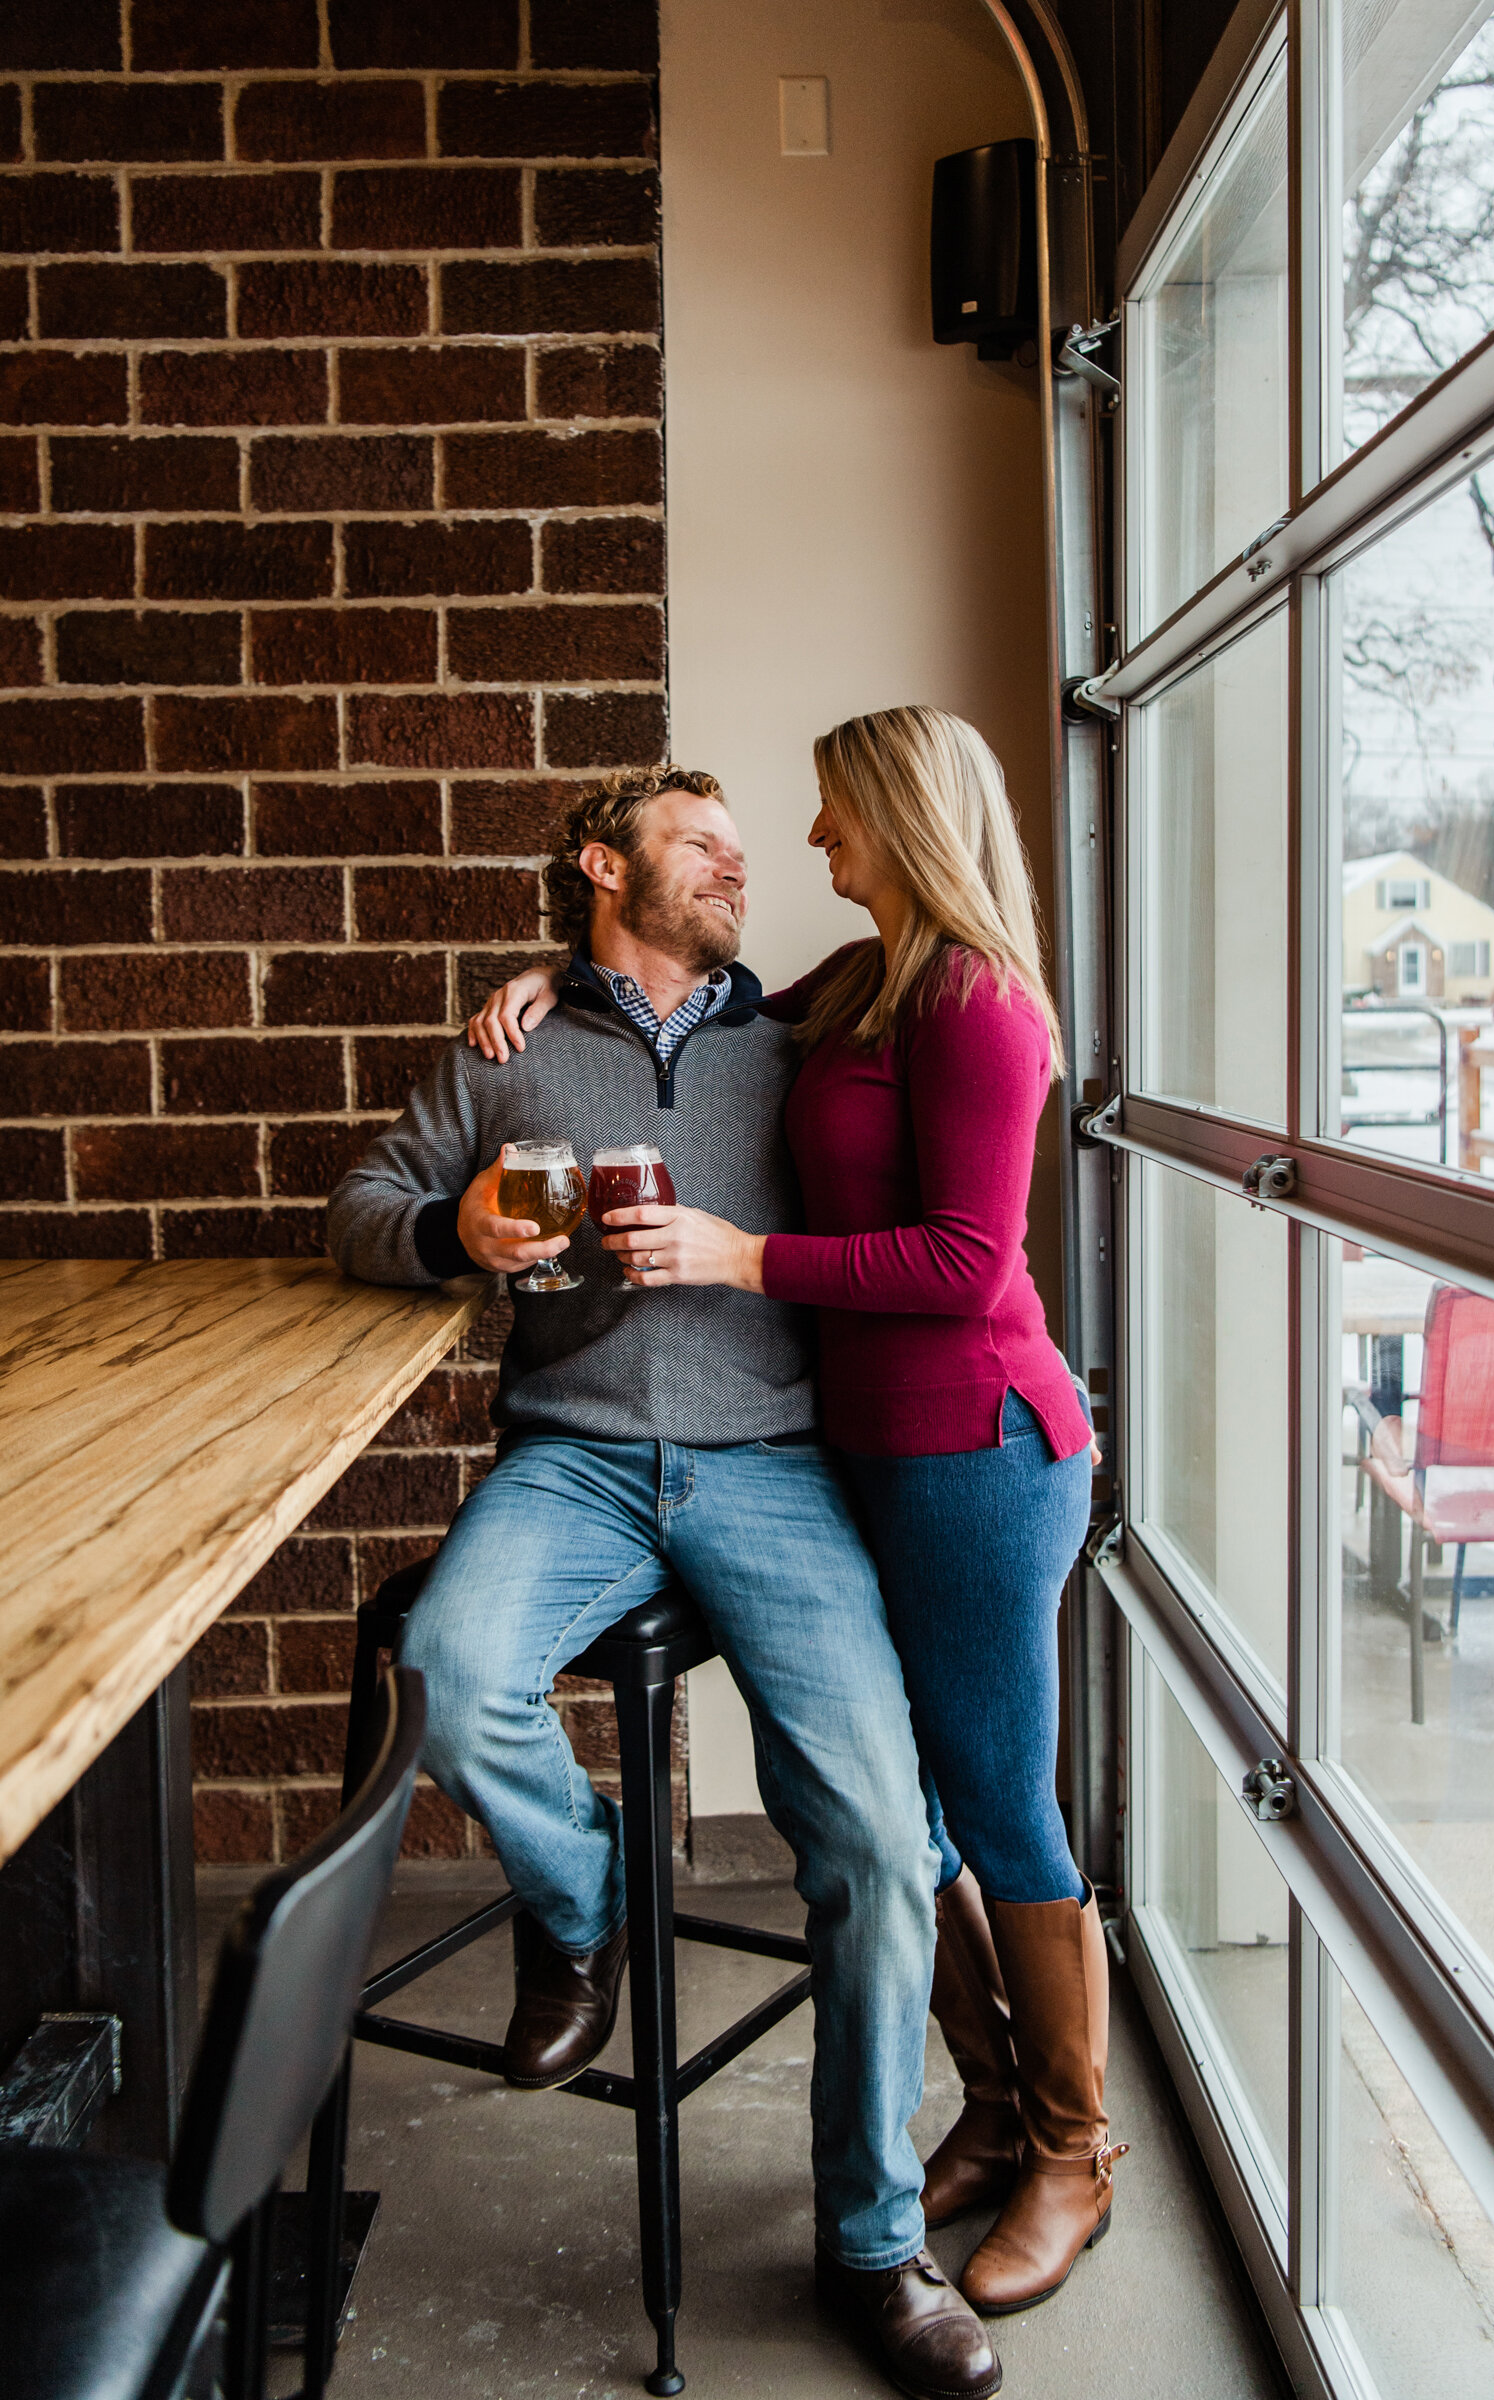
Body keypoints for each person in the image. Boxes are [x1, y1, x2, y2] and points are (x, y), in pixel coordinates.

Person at [327, 766, 1000, 2400]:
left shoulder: (804, 1041)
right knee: (456, 1675)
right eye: (701, 843)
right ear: (600, 866)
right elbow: (357, 1208)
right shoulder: (515, 1046)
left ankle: (870, 2242)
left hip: (772, 1462)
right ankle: (585, 1909)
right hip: (569, 1454)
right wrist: (455, 1232)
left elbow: (951, 1047)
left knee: (865, 1835)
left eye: (745, 849)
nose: (740, 867)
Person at [469, 707, 1122, 2320]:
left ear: (903, 818)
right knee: (928, 1805)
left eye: (832, 820)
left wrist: (741, 1256)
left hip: (975, 1442)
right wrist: (556, 976)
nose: (809, 850)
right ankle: (985, 2106)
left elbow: (967, 1263)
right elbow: (685, 994)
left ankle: (1072, 2152)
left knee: (989, 1796)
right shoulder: (862, 984)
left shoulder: (975, 1001)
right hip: (870, 1455)